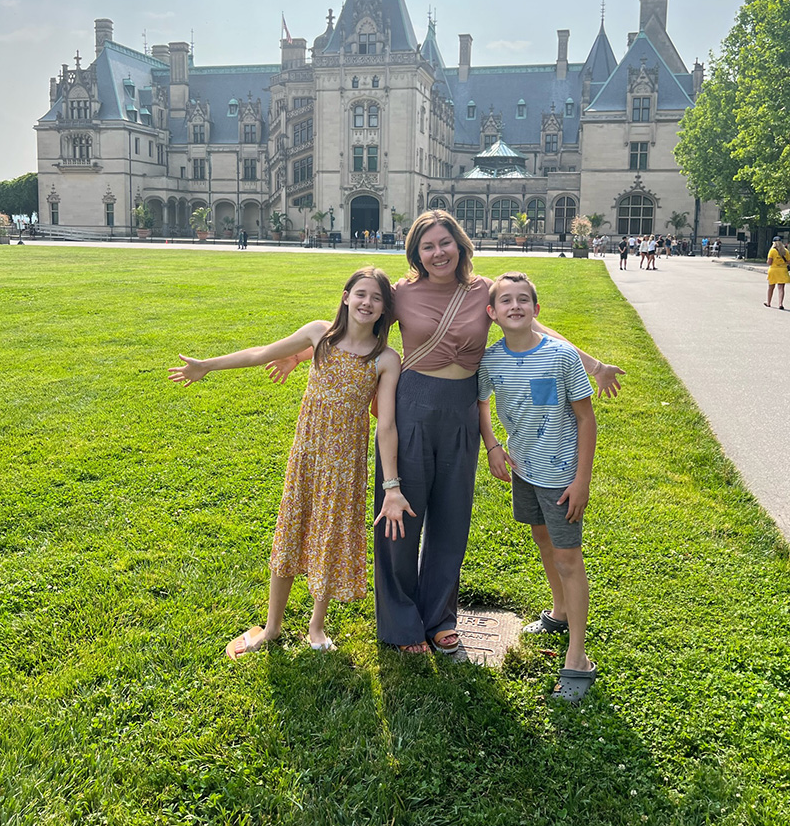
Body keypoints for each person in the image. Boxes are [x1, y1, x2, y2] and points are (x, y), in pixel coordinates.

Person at [268, 211, 623, 656]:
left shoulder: (483, 292)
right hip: (411, 404)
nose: (438, 253)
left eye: (445, 243)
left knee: (451, 520)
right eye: (427, 246)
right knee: (399, 516)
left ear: (460, 244)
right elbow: (356, 326)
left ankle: (439, 617)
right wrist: (301, 356)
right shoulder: (400, 293)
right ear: (416, 252)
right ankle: (399, 622)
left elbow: (534, 328)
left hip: (461, 410)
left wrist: (592, 364)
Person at [168, 267, 410, 656]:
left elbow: (386, 427)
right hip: (307, 456)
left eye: (377, 298)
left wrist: (392, 486)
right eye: (360, 293)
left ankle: (317, 626)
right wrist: (207, 365)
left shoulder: (386, 359)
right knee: (290, 532)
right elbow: (261, 354)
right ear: (346, 297)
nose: (367, 302)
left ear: (385, 310)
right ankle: (272, 627)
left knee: (328, 539)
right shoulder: (319, 335)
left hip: (345, 467)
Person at [478, 272, 597, 701]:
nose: (515, 306)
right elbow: (481, 401)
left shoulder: (561, 356)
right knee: (544, 542)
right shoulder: (491, 360)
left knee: (569, 559)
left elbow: (586, 418)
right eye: (505, 301)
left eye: (523, 300)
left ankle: (578, 657)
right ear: (492, 313)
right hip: (524, 470)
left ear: (536, 309)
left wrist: (581, 480)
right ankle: (559, 612)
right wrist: (492, 445)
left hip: (562, 477)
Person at [765, 236, 790, 309]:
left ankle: (768, 302)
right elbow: (789, 261)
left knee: (771, 287)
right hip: (783, 270)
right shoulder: (786, 251)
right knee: (781, 288)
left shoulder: (772, 251)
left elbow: (769, 262)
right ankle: (780, 303)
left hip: (773, 270)